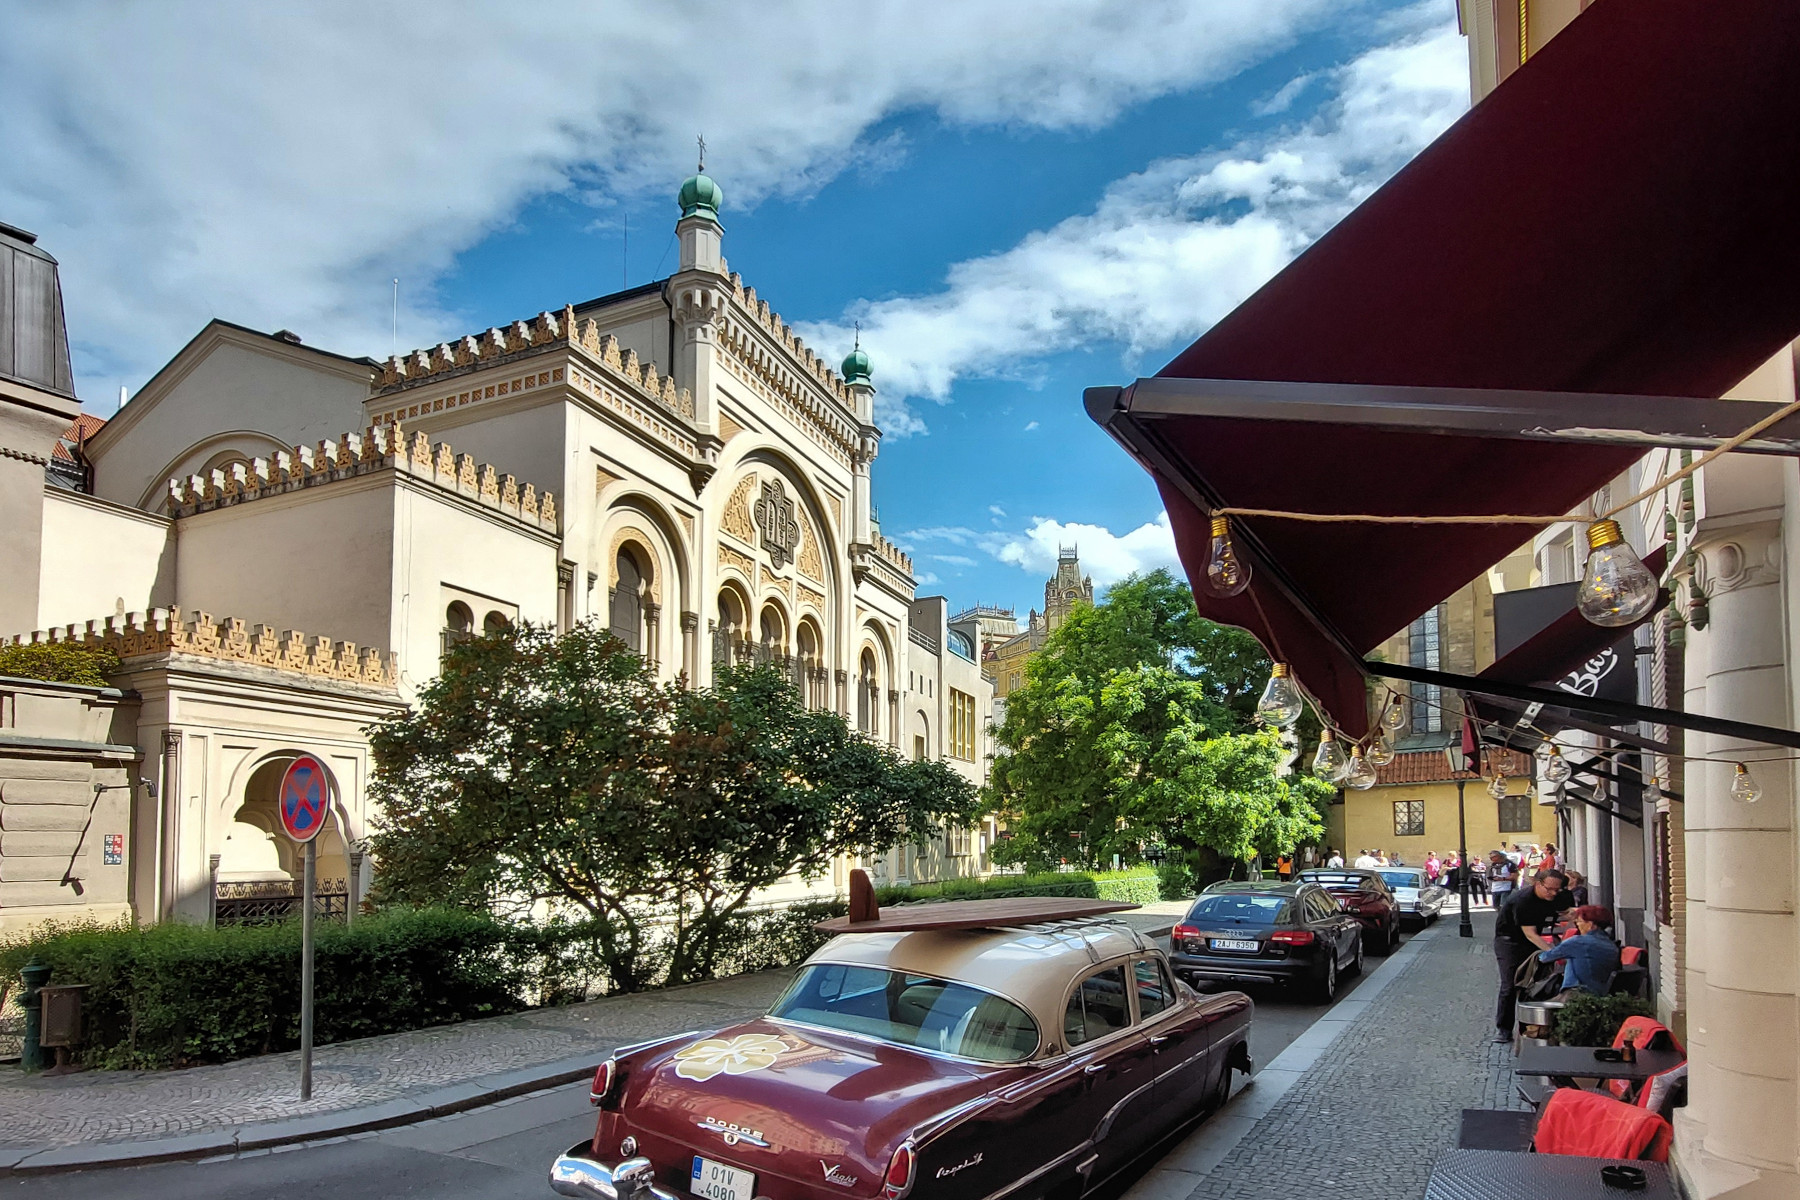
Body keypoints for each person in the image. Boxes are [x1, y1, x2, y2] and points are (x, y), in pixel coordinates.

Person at [1493, 868, 1568, 1042]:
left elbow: (1564, 910)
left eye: (1557, 890)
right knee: (1510, 985)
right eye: (1549, 889)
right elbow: (1530, 934)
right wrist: (1553, 952)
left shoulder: (1553, 895)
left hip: (1530, 942)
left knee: (1535, 985)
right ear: (1537, 884)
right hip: (1509, 942)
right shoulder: (1523, 901)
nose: (1553, 893)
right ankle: (1504, 1029)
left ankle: (1530, 1027)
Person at [1536, 904, 1619, 995]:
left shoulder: (1578, 942)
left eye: (1579, 921)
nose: (1577, 925)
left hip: (1577, 994)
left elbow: (1544, 958)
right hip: (1602, 993)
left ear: (1590, 924)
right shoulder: (1611, 945)